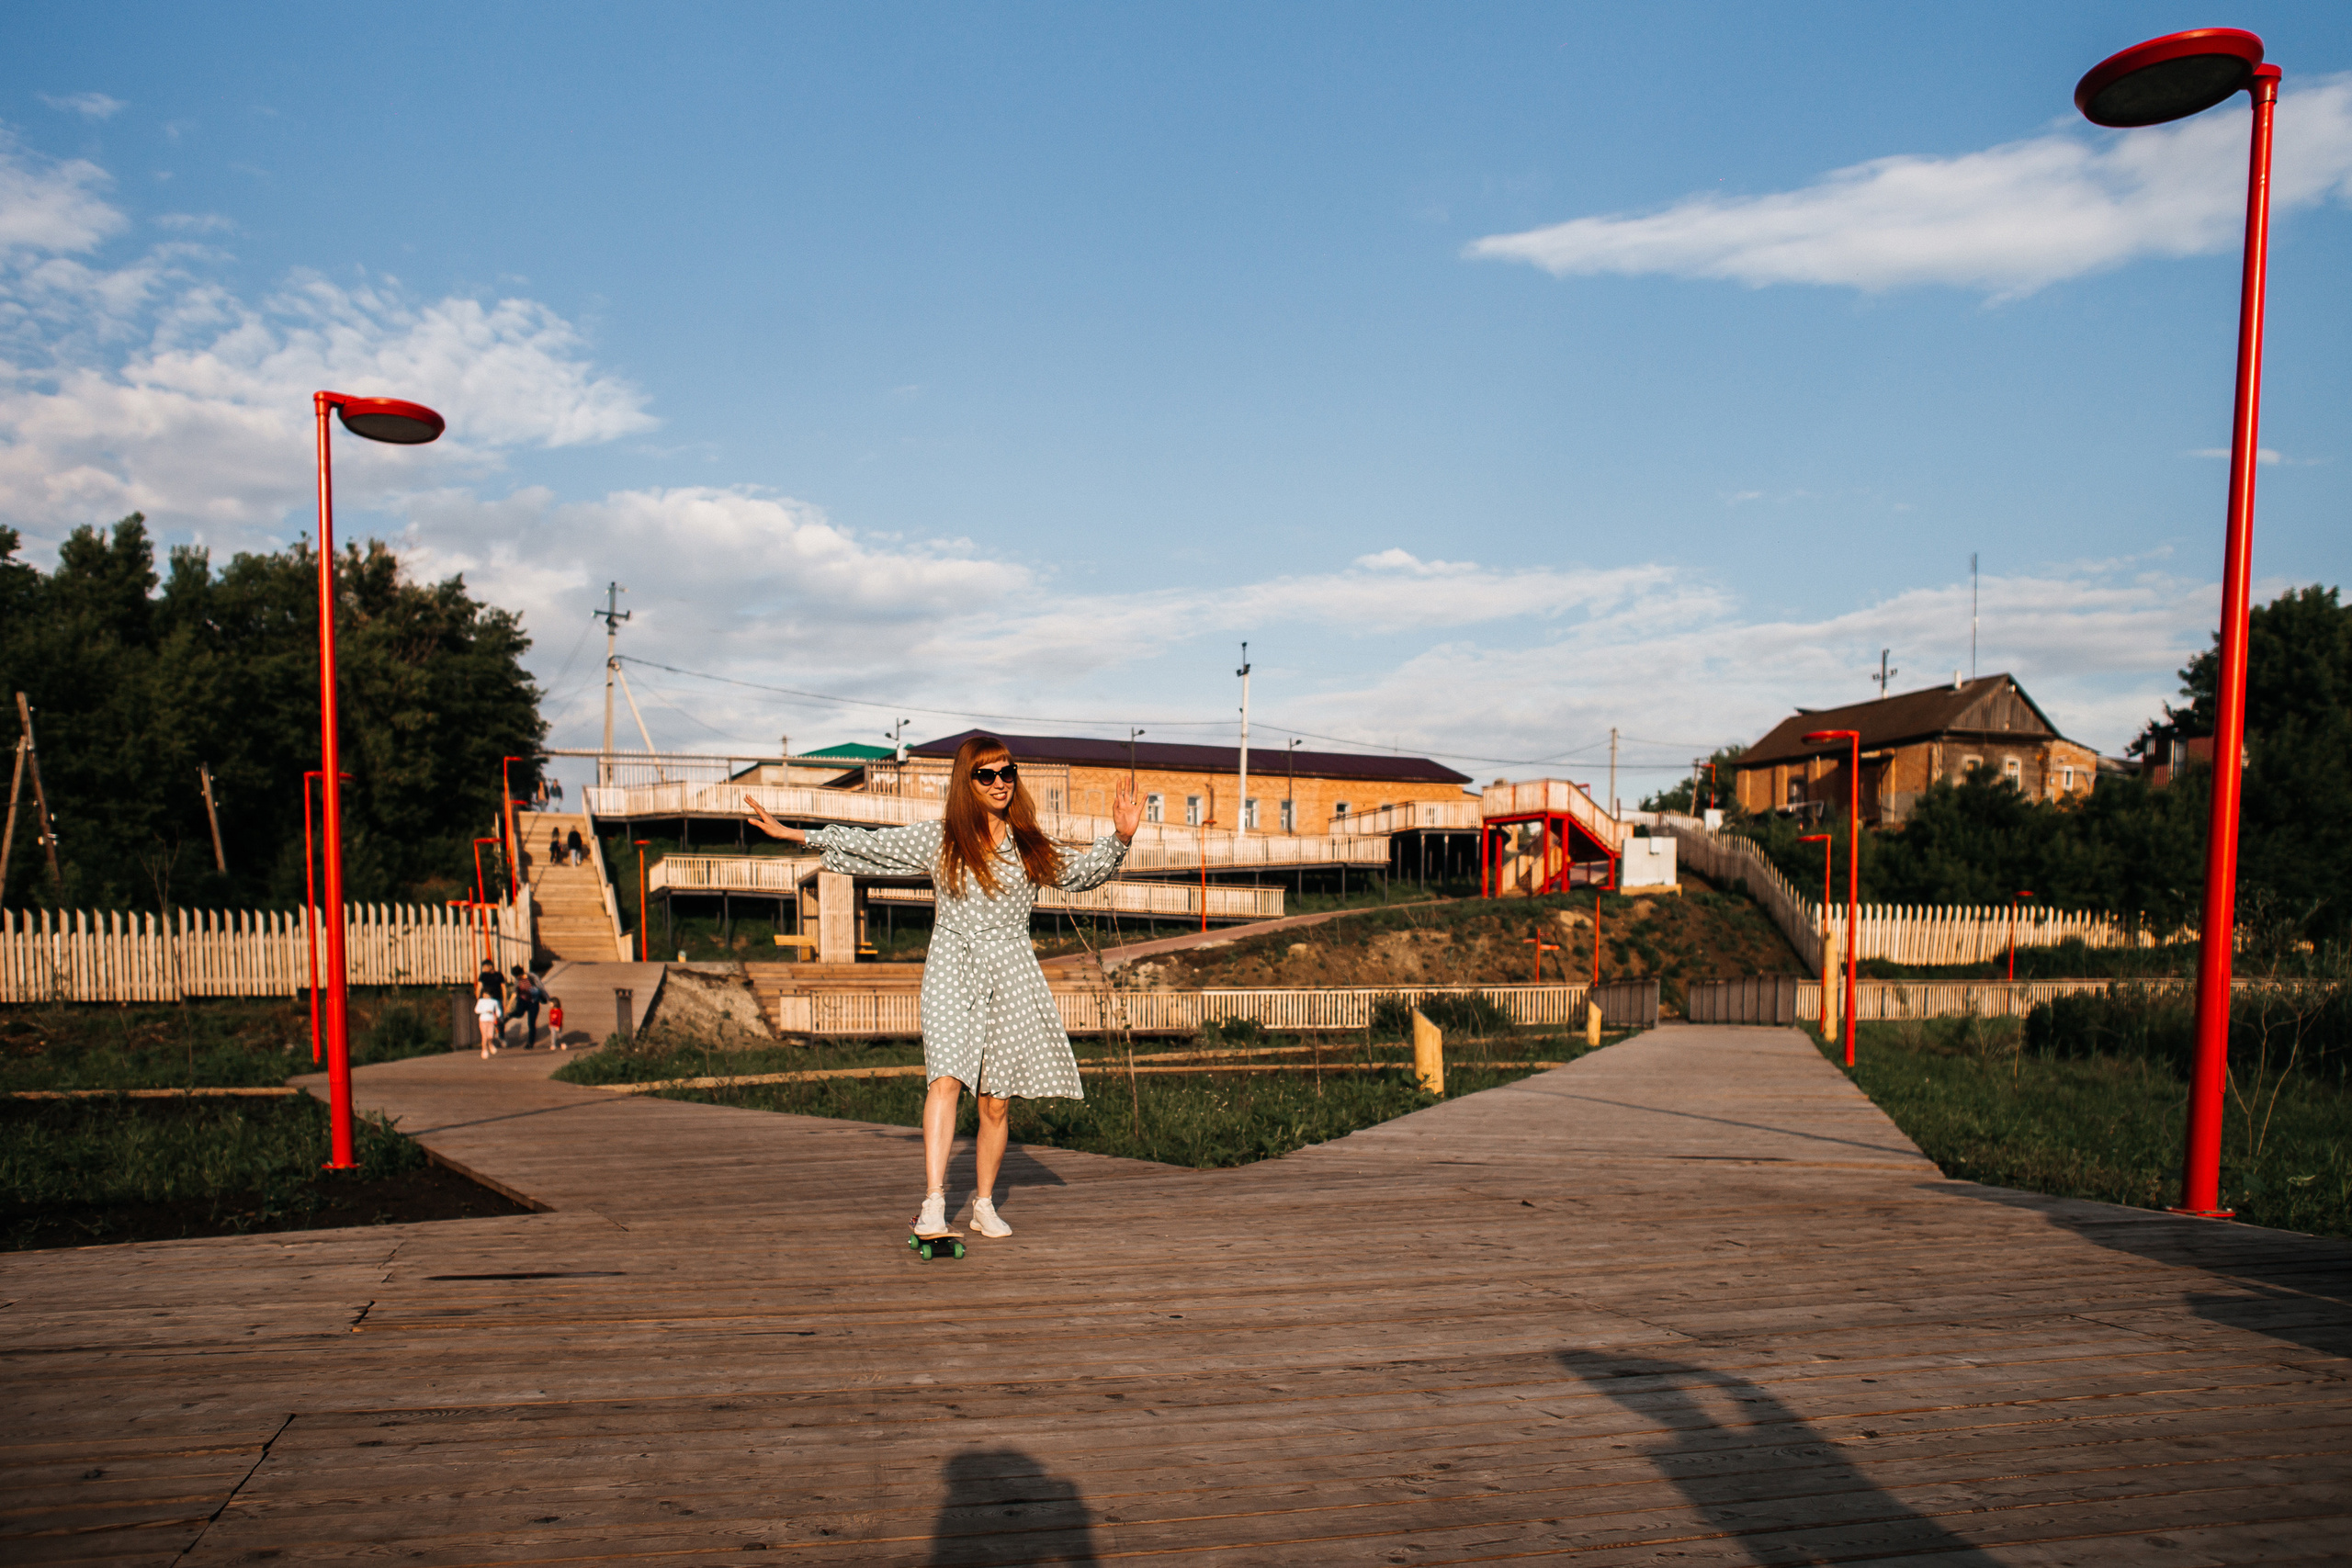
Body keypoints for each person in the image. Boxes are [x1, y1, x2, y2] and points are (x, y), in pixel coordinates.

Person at [745, 735, 1139, 1239]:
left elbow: (1082, 873)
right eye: (986, 775)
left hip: (1012, 968)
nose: (999, 783)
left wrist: (1120, 838)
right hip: (952, 962)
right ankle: (934, 1202)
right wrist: (799, 836)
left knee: (996, 1099)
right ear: (967, 783)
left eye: (1007, 772)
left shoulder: (1031, 845)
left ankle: (983, 1204)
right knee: (945, 1079)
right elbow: (873, 846)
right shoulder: (942, 839)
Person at [511, 965, 543, 1048]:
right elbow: (514, 992)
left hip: (533, 1002)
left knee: (531, 1023)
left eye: (519, 975)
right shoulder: (518, 981)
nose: (518, 977)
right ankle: (509, 1016)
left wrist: (542, 995)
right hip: (522, 1001)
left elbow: (540, 986)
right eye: (517, 976)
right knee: (519, 1013)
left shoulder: (531, 976)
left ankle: (530, 1043)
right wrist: (509, 1004)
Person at [473, 985, 503, 1058]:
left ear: (491, 994)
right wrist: (486, 1011)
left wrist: (498, 1015)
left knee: (490, 1036)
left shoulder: (494, 1002)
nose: (486, 995)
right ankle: (484, 1050)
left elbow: (498, 1010)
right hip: (483, 1020)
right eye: (484, 993)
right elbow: (476, 1010)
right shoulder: (481, 1001)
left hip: (491, 1020)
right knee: (484, 1036)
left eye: (487, 994)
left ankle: (490, 1045)